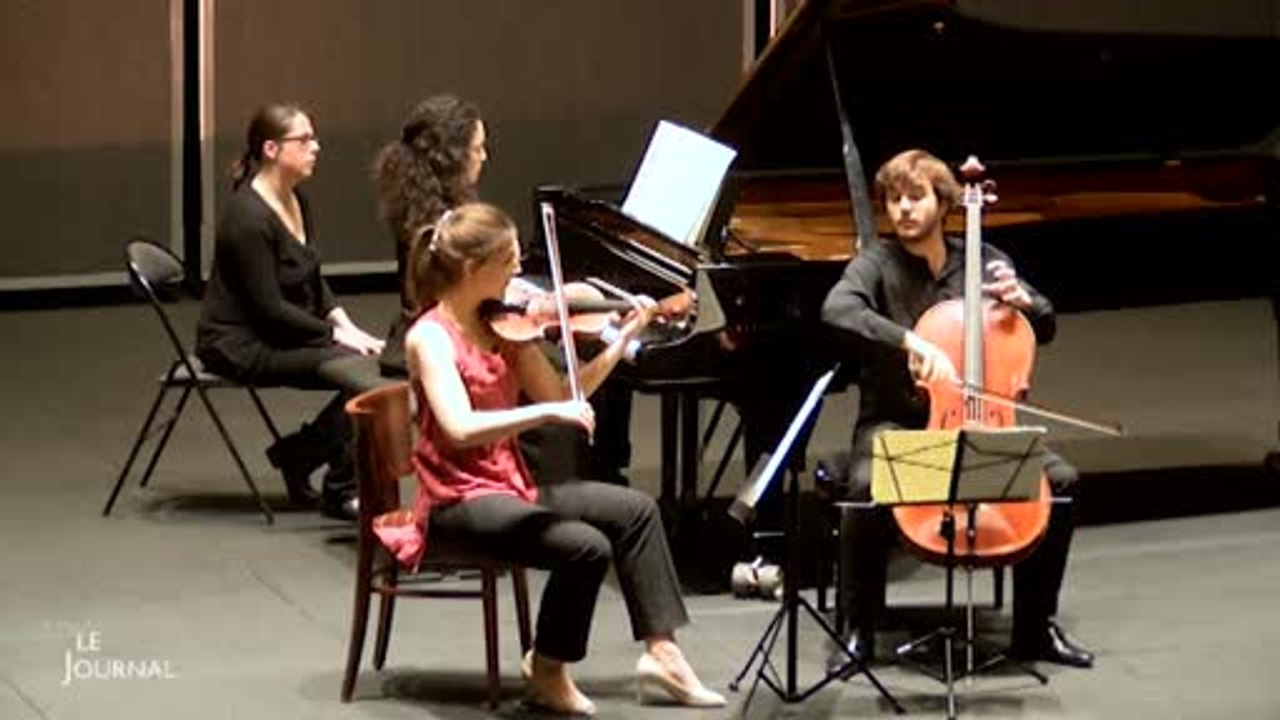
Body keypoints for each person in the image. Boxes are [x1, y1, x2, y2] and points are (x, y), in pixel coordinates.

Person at [402, 202, 725, 715]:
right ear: (471, 269)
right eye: (508, 260)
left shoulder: (504, 327)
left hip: (512, 484)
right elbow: (460, 429)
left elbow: (563, 390)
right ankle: (548, 667)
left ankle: (663, 653)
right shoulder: (430, 337)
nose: (517, 271)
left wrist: (621, 342)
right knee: (585, 547)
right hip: (458, 498)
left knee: (635, 511)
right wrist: (547, 414)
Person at [819, 148, 1095, 669]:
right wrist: (909, 341)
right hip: (896, 425)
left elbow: (1048, 325)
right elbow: (837, 309)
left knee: (1062, 482)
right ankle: (857, 631)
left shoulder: (985, 260)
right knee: (863, 487)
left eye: (915, 197)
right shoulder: (874, 264)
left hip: (980, 422)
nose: (902, 209)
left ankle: (1035, 630)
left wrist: (1025, 303)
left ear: (944, 203)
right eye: (894, 199)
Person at [373, 92, 635, 486]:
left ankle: (594, 468)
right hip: (454, 331)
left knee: (566, 353)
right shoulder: (437, 224)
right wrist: (545, 300)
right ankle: (573, 473)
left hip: (469, 318)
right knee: (564, 367)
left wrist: (539, 299)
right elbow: (471, 292)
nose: (484, 156)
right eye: (478, 148)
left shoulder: (434, 203)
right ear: (453, 155)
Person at [196, 103, 390, 521]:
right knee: (364, 378)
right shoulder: (247, 217)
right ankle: (337, 486)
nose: (315, 147)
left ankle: (298, 454)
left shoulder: (296, 198)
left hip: (278, 331)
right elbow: (268, 310)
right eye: (304, 140)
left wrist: (347, 325)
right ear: (271, 149)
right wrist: (333, 337)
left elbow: (312, 277)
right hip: (240, 343)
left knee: (374, 369)